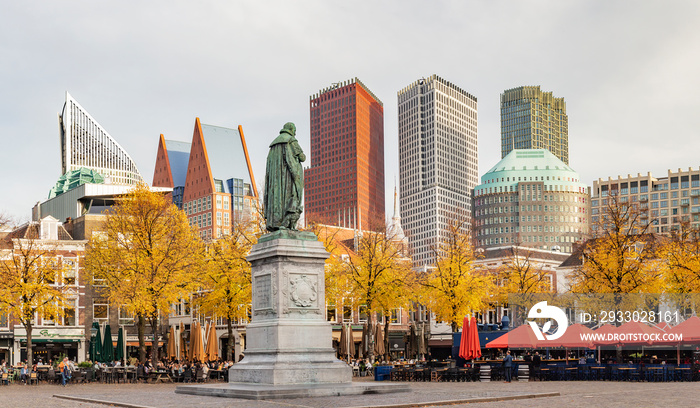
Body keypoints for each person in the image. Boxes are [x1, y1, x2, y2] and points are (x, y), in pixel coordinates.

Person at [264, 122, 306, 231]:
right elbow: (302, 157)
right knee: (291, 198)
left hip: (275, 181)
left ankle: (277, 222)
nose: (295, 133)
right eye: (294, 131)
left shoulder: (273, 146)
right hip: (288, 178)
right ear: (291, 129)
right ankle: (286, 224)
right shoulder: (291, 140)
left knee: (277, 200)